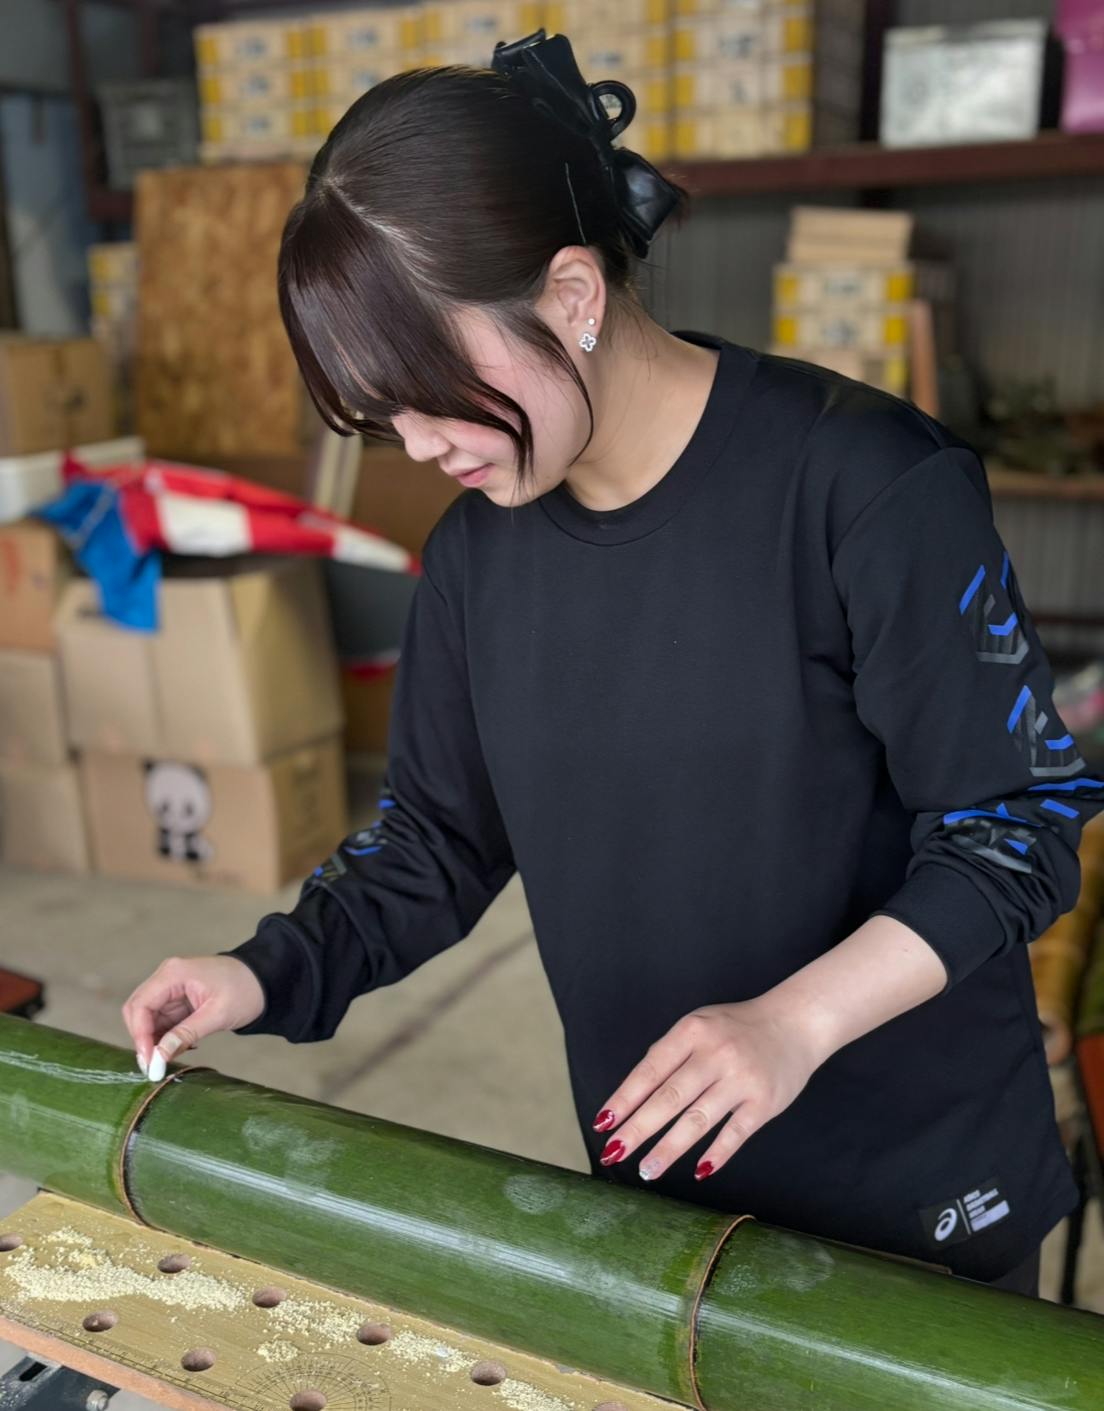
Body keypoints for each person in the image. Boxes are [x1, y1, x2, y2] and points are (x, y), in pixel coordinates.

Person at [123, 32, 1104, 1300]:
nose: (416, 445)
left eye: (430, 391)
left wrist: (793, 1022)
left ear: (574, 294)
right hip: (661, 1194)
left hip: (921, 1191)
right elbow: (435, 843)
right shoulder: (475, 558)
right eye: (379, 413)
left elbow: (1014, 827)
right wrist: (262, 972)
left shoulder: (865, 486)